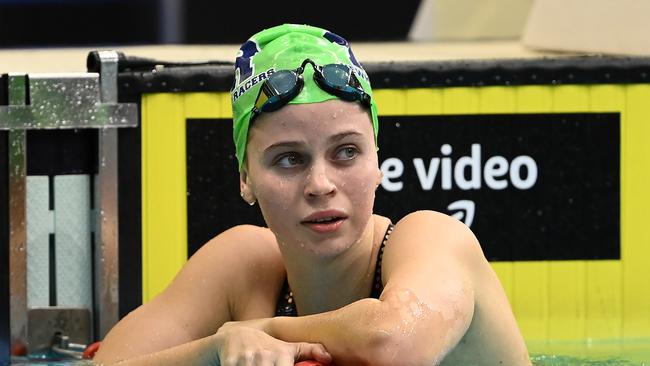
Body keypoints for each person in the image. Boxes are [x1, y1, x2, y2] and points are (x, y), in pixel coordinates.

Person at [93, 23, 530, 366]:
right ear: (246, 178)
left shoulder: (432, 240)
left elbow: (394, 344)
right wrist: (216, 349)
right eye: (288, 159)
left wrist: (265, 331)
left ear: (377, 163)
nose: (321, 184)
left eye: (346, 152)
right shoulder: (245, 266)